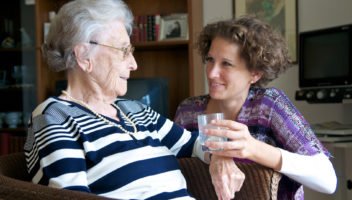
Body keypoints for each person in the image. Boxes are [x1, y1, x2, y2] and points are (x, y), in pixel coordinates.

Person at [23, 0, 243, 199]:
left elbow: (197, 144)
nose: (134, 64)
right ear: (83, 56)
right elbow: (71, 197)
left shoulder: (135, 110)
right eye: (123, 51)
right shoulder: (54, 116)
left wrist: (220, 158)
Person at [174, 15, 337, 200]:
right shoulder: (188, 111)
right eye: (210, 60)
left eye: (226, 63)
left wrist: (253, 148)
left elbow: (328, 180)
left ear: (255, 73)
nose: (212, 73)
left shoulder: (269, 105)